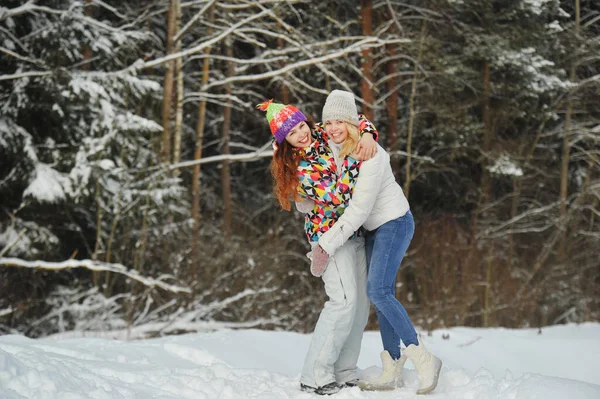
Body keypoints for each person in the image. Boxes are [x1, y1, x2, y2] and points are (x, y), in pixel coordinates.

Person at [311, 90, 442, 394]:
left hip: (393, 223)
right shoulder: (335, 144)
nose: (333, 127)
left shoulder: (372, 154)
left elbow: (358, 210)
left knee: (378, 291)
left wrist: (325, 245)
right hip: (371, 229)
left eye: (339, 121)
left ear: (352, 122)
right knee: (383, 294)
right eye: (328, 121)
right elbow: (302, 139)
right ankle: (392, 365)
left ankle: (423, 357)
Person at [257, 99, 378, 395]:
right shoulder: (299, 167)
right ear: (283, 140)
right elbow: (337, 196)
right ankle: (315, 374)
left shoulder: (322, 132)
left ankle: (345, 370)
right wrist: (355, 159)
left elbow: (356, 119)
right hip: (328, 238)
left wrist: (365, 135)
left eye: (302, 125)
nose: (302, 134)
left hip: (354, 231)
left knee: (360, 307)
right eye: (293, 133)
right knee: (343, 301)